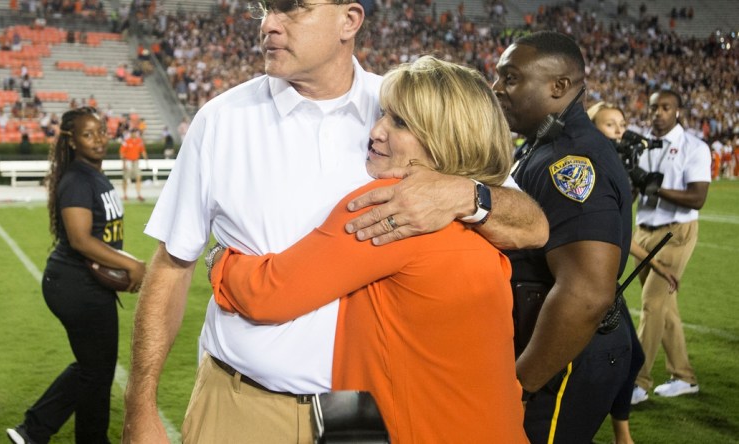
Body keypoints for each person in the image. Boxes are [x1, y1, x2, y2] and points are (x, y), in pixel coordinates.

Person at [122, 2, 547, 443]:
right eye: (266, 9)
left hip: (367, 416)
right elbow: (172, 264)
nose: (268, 24)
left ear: (350, 20)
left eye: (293, 9)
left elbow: (532, 224)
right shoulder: (222, 119)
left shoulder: (416, 110)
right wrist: (140, 406)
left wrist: (466, 193)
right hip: (246, 405)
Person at [208, 56, 528, 443]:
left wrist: (218, 261)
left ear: (446, 136)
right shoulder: (479, 212)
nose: (375, 131)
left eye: (400, 122)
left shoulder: (394, 206)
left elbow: (267, 293)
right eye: (383, 115)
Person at [493, 31, 633, 443]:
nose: (497, 88)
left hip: (564, 358)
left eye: (511, 78)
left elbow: (586, 292)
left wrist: (521, 384)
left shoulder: (568, 161)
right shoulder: (542, 145)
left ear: (559, 87)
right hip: (557, 347)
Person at [6, 107, 146, 444]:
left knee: (93, 368)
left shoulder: (92, 174)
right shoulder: (78, 180)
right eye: (88, 134)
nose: (98, 139)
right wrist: (130, 264)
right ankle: (39, 429)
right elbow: (80, 239)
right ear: (71, 141)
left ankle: (38, 431)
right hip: (74, 285)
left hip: (84, 284)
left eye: (100, 131)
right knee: (96, 369)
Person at [587, 101, 679, 444]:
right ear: (592, 129)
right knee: (607, 360)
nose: (620, 131)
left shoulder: (613, 169)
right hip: (589, 281)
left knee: (629, 357)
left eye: (622, 124)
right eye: (610, 125)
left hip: (608, 281)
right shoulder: (589, 171)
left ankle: (619, 435)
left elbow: (620, 234)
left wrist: (656, 263)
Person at [631, 89, 710, 404]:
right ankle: (683, 376)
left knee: (651, 304)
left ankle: (638, 382)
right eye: (653, 108)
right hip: (644, 231)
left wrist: (655, 187)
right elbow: (635, 191)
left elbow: (698, 198)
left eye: (666, 107)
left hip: (677, 232)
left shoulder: (695, 147)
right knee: (665, 309)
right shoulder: (642, 146)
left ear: (678, 111)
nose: (658, 113)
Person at [119, 128, 148, 201]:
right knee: (125, 178)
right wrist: (123, 162)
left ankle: (138, 194)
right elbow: (122, 153)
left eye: (135, 132)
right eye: (133, 132)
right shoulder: (126, 141)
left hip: (136, 161)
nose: (134, 134)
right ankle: (125, 195)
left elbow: (142, 151)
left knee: (138, 177)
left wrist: (146, 159)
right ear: (131, 133)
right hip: (128, 161)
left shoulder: (139, 141)